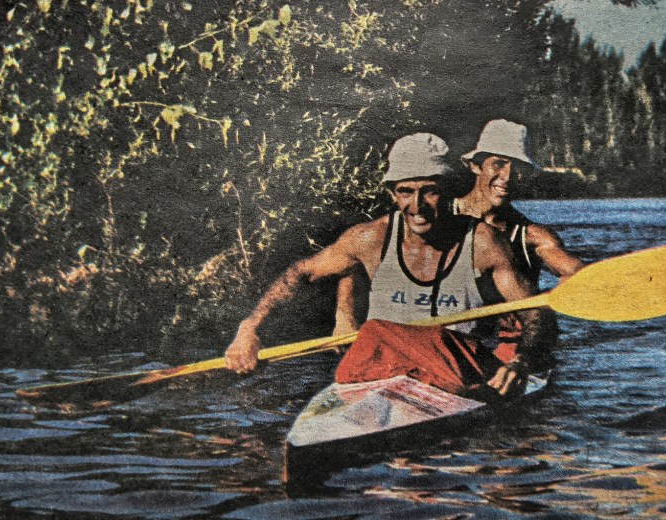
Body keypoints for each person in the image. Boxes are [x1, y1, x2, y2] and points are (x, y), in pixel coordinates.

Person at [224, 133, 548, 398]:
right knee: (374, 337)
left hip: (455, 371)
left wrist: (521, 360)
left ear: (446, 190)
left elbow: (535, 312)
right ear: (393, 194)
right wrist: (250, 328)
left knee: (390, 334)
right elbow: (301, 273)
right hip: (380, 368)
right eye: (405, 192)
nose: (417, 206)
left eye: (429, 192)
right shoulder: (370, 239)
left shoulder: (483, 243)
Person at [333, 120, 583, 360]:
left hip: (505, 342)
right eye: (498, 164)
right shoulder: (431, 210)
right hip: (437, 339)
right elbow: (360, 255)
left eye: (519, 169)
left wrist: (565, 290)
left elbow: (579, 275)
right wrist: (345, 315)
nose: (507, 177)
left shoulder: (533, 237)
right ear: (475, 166)